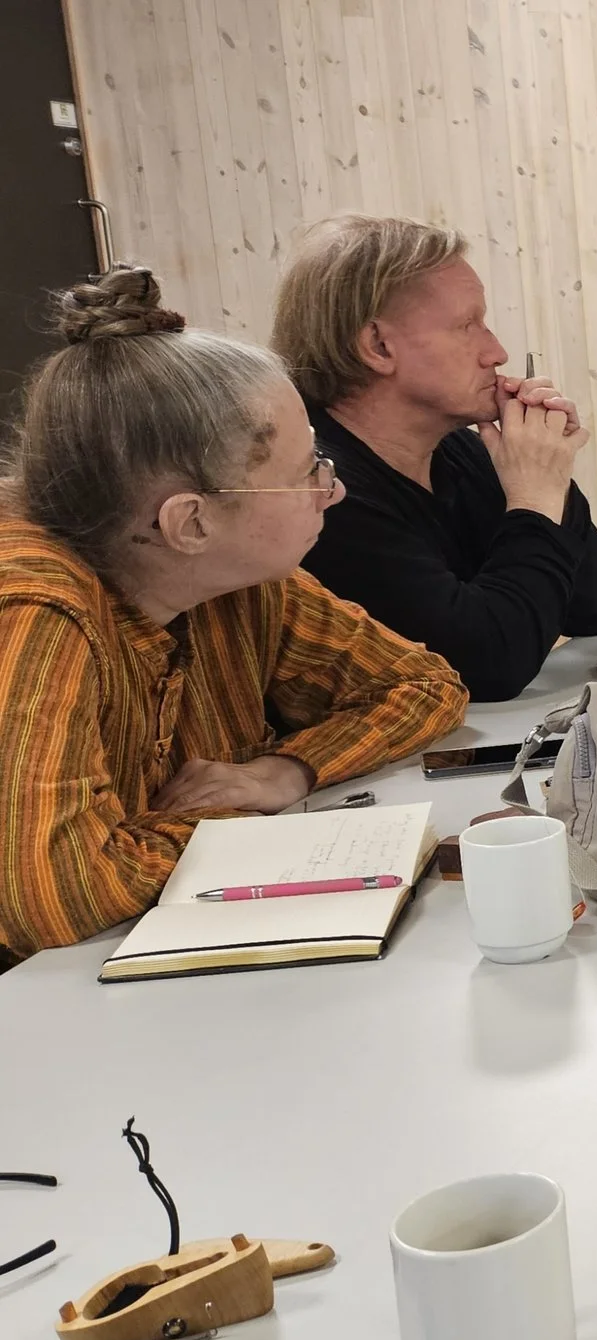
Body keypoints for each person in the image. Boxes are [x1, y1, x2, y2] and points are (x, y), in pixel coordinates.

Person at [0, 268, 467, 965]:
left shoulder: (238, 578)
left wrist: (287, 770)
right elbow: (58, 899)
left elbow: (425, 686)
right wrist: (222, 821)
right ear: (191, 522)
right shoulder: (37, 610)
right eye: (307, 470)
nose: (333, 490)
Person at [274, 214, 597, 703]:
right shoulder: (322, 491)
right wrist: (536, 497)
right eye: (467, 326)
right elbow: (486, 667)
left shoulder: (459, 451)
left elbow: (593, 606)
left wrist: (547, 471)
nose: (496, 351)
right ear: (378, 346)